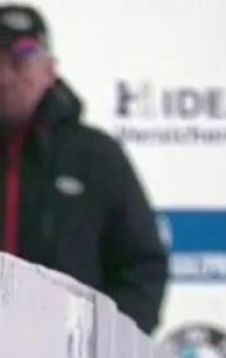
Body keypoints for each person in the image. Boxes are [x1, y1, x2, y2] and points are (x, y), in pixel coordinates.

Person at [0, 4, 168, 333]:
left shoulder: (96, 157)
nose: (5, 76)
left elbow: (142, 267)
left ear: (50, 69)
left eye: (20, 59)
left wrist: (103, 341)